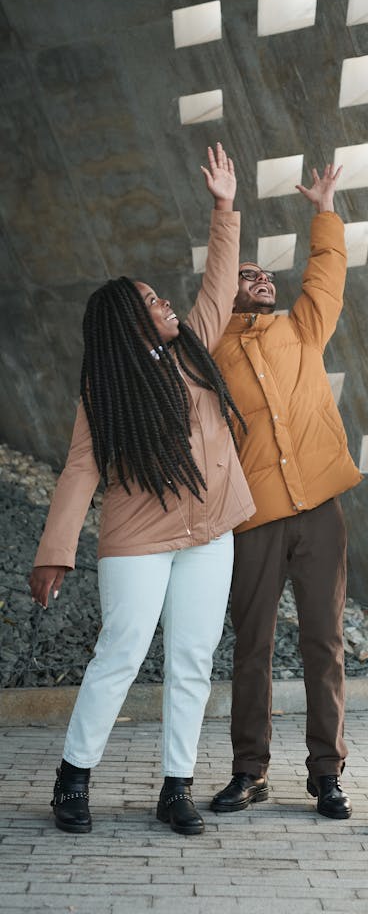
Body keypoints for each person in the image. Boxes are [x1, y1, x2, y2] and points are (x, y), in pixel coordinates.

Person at [28, 143, 255, 836]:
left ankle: (175, 786)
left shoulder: (192, 347)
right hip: (140, 537)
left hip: (209, 534)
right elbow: (79, 470)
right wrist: (54, 550)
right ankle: (73, 778)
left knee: (191, 658)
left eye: (160, 296)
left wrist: (224, 209)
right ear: (128, 325)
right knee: (122, 653)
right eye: (152, 301)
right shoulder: (107, 387)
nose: (166, 303)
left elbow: (218, 288)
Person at [210, 163, 361, 820]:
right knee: (253, 645)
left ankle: (326, 773)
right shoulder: (207, 350)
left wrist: (324, 210)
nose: (260, 278)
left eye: (264, 273)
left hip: (321, 512)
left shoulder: (300, 329)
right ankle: (250, 770)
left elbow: (326, 273)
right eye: (245, 276)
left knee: (324, 643)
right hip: (255, 521)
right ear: (224, 291)